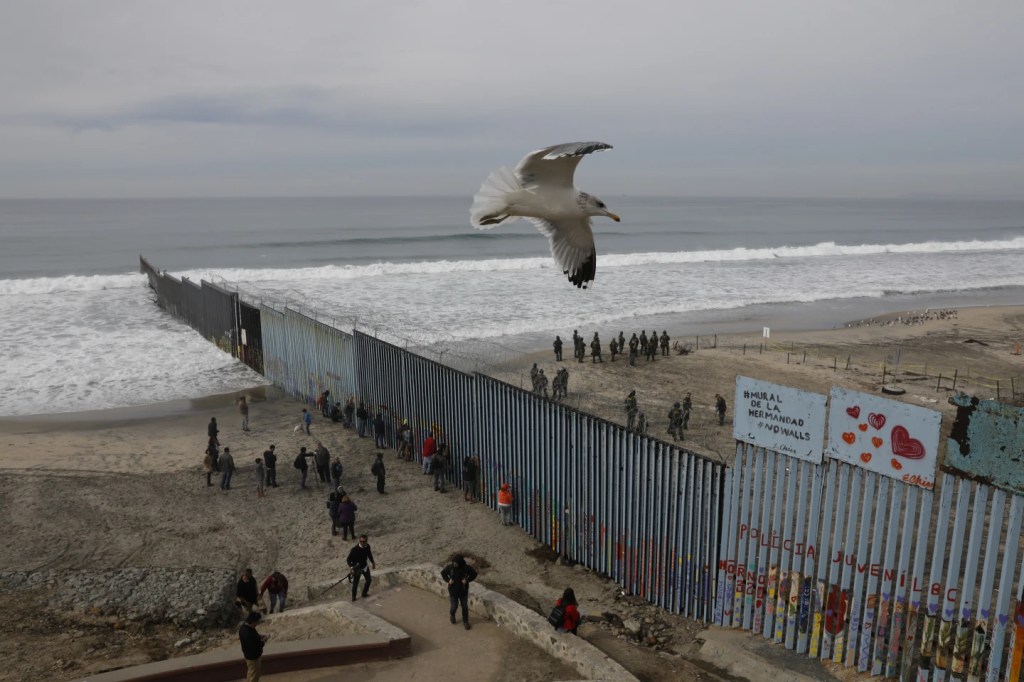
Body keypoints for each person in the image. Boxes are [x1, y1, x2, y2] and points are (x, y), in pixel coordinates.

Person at [441, 554, 478, 630]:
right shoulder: (450, 568)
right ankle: (452, 614)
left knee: (464, 607)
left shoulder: (466, 568)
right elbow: (443, 573)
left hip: (463, 591)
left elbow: (474, 574)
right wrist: (448, 580)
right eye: (453, 562)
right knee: (454, 606)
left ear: (460, 562)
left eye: (456, 562)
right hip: (453, 591)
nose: (454, 564)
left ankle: (465, 622)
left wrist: (467, 580)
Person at [238, 611, 268, 682]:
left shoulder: (243, 628)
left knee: (250, 673)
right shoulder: (248, 634)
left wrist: (259, 636)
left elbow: (254, 636)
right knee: (254, 676)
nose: (257, 624)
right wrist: (264, 640)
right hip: (253, 657)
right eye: (257, 622)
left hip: (248, 656)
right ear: (253, 621)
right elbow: (255, 646)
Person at [346, 535, 376, 601]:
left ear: (366, 541)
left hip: (364, 567)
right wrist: (351, 567)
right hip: (357, 568)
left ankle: (364, 594)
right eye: (361, 541)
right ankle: (353, 597)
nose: (362, 542)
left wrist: (373, 562)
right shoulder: (354, 549)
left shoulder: (367, 546)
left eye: (364, 541)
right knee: (355, 583)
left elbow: (369, 555)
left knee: (369, 580)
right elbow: (348, 559)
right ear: (359, 541)